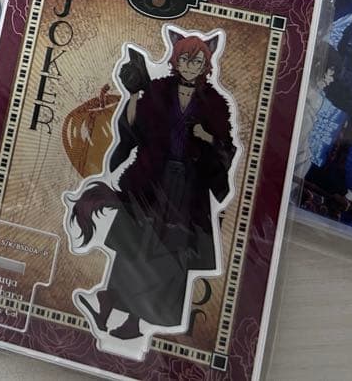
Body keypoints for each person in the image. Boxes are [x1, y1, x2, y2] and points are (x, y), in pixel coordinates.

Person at [67, 30, 236, 345]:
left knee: (172, 253)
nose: (190, 66)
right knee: (137, 244)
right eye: (185, 59)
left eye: (197, 61)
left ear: (206, 64)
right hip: (151, 179)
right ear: (176, 60)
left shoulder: (215, 103)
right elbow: (134, 129)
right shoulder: (158, 90)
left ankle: (132, 317)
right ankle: (110, 306)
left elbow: (226, 148)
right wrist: (132, 95)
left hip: (188, 189)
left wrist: (207, 137)